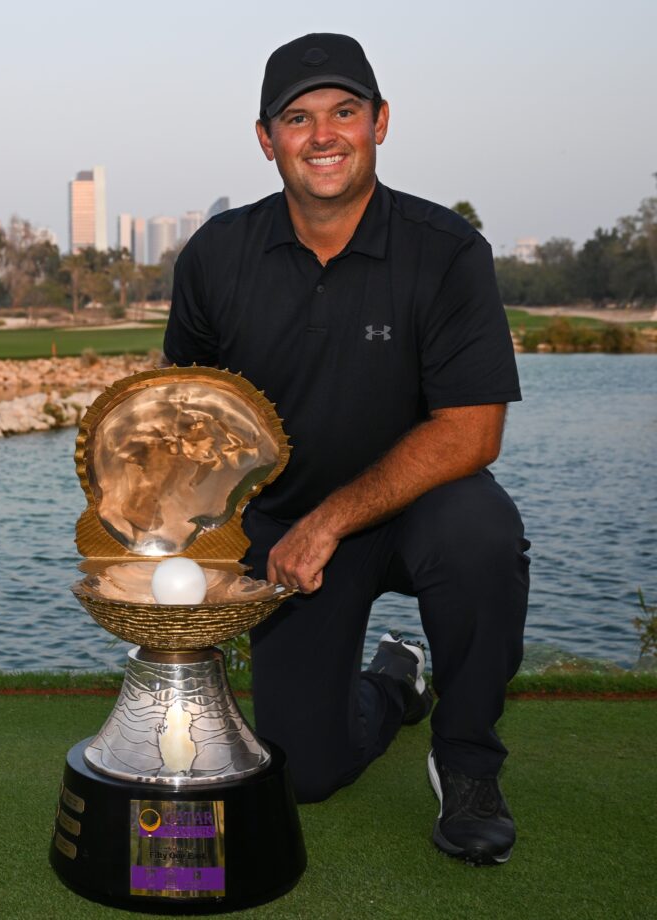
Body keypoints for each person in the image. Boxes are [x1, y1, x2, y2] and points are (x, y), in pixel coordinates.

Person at [163, 32, 530, 866]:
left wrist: (332, 520)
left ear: (381, 123)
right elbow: (190, 420)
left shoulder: (446, 251)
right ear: (266, 139)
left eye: (344, 112)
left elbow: (475, 431)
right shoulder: (217, 256)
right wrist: (183, 543)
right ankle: (395, 683)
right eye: (298, 117)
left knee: (482, 533)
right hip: (283, 532)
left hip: (415, 513)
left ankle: (468, 761)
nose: (322, 135)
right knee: (304, 772)